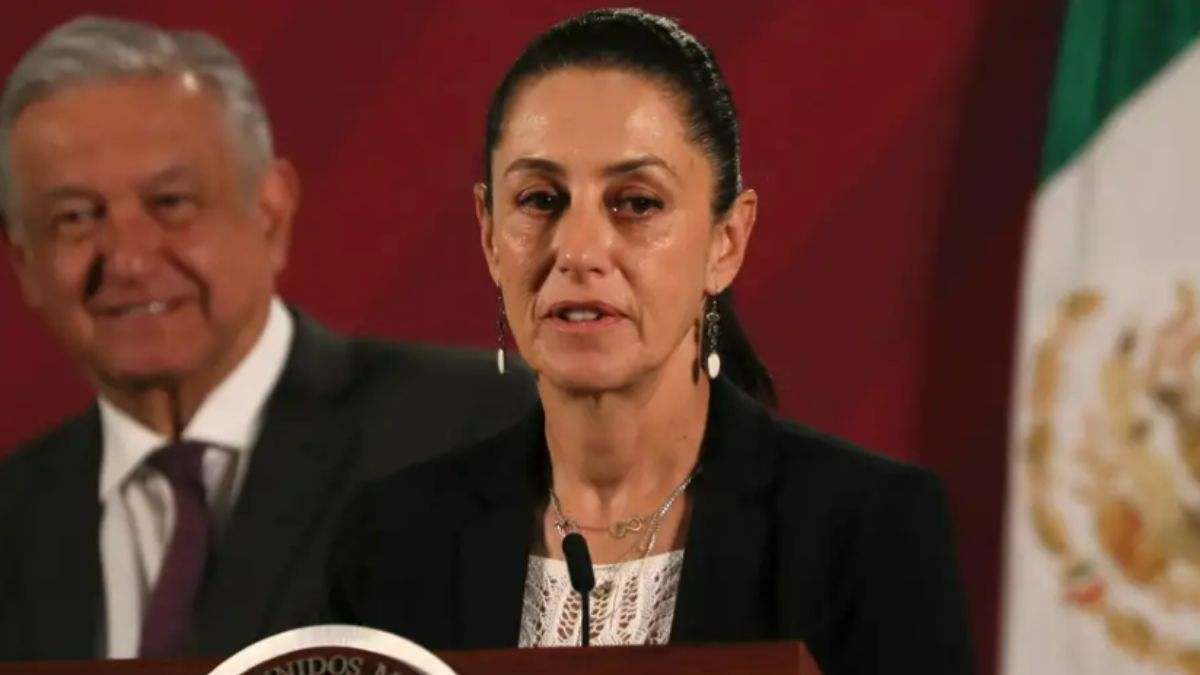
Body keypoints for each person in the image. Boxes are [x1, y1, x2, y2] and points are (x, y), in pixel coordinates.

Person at [327, 8, 972, 675]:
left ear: (726, 241)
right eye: (540, 200)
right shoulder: (392, 541)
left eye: (636, 203)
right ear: (490, 236)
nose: (578, 250)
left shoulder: (866, 531)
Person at [0, 17, 536, 661]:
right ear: (24, 260)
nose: (129, 260)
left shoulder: (486, 429)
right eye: (75, 218)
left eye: (170, 202)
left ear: (270, 211)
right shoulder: (14, 515)